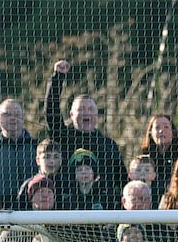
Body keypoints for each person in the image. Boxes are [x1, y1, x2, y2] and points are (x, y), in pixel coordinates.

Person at [44, 60, 127, 195]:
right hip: (68, 202)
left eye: (90, 109)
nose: (86, 113)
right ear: (71, 114)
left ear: (97, 114)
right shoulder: (62, 137)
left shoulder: (108, 144)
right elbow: (51, 112)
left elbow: (121, 181)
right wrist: (58, 77)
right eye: (81, 109)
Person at [0, 98, 39, 200]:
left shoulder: (36, 146)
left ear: (23, 118)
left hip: (32, 204)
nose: (13, 118)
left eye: (17, 115)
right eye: (7, 115)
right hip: (1, 205)